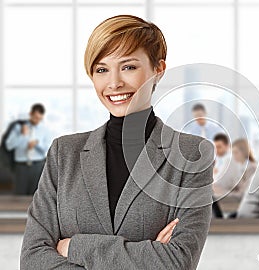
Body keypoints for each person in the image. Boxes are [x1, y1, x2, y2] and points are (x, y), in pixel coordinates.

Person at [20, 15, 214, 270]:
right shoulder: (64, 153)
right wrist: (147, 255)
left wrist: (73, 247)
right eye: (102, 69)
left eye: (129, 67)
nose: (114, 83)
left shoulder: (192, 155)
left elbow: (178, 261)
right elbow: (32, 259)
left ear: (159, 70)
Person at [5, 104, 50, 195]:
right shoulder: (18, 128)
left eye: (40, 119)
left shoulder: (44, 129)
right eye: (35, 117)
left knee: (37, 197)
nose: (37, 121)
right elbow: (9, 146)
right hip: (21, 167)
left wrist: (37, 144)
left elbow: (46, 149)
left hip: (38, 166)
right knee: (19, 196)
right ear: (30, 114)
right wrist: (22, 135)